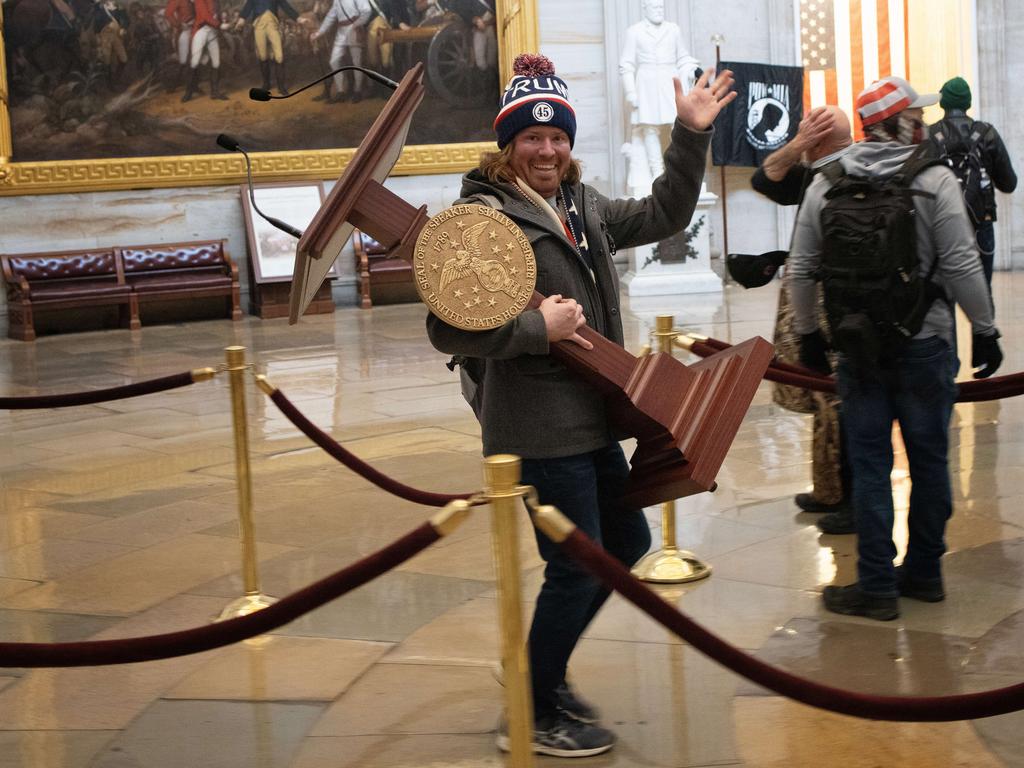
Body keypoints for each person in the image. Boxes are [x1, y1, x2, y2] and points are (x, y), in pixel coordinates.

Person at [427, 53, 735, 757]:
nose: (547, 149)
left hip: (594, 415)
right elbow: (447, 328)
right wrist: (540, 328)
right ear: (508, 145)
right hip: (537, 425)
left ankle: (542, 670)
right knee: (577, 563)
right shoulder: (481, 220)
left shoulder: (582, 204)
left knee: (624, 545)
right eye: (531, 138)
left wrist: (689, 135)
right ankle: (531, 709)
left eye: (557, 136)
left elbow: (665, 211)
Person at [788, 76, 1003, 621]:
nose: (925, 123)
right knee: (931, 461)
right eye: (918, 116)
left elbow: (802, 268)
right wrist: (985, 327)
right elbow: (960, 263)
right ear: (902, 122)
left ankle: (877, 586)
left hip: (858, 348)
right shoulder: (934, 179)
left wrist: (811, 335)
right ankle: (926, 573)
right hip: (925, 342)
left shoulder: (826, 180)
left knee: (870, 462)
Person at [745, 105, 856, 534]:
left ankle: (851, 498)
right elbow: (764, 177)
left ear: (819, 140)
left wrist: (800, 144)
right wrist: (799, 146)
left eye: (807, 132)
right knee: (825, 400)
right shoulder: (815, 173)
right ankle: (829, 489)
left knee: (839, 401)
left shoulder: (845, 172)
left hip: (837, 305)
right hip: (820, 301)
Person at [929, 76, 1018, 293]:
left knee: (941, 300)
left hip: (942, 226)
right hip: (981, 223)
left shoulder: (930, 135)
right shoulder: (987, 133)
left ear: (943, 102)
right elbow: (1009, 184)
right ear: (967, 102)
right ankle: (982, 328)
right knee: (982, 297)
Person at [619, 0, 700, 184]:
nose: (658, 10)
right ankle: (656, 173)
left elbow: (683, 57)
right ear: (644, 8)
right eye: (654, 7)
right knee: (649, 129)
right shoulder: (635, 31)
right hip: (646, 83)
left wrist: (692, 68)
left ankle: (677, 170)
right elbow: (626, 64)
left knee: (677, 125)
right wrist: (631, 91)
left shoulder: (673, 29)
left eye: (661, 7)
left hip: (670, 80)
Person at [310, 0, 372, 103]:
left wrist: (356, 24)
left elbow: (367, 11)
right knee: (334, 61)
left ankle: (357, 91)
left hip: (354, 30)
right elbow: (331, 16)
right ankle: (341, 91)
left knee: (357, 63)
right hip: (342, 32)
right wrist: (319, 33)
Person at [237, 0, 299, 95]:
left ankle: (281, 87)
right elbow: (248, 7)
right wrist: (241, 19)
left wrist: (298, 18)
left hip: (273, 24)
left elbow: (285, 6)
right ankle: (266, 85)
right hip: (258, 25)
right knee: (262, 56)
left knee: (279, 56)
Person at [182, 0, 228, 102]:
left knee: (216, 62)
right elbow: (205, 16)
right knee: (194, 61)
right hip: (201, 31)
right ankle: (188, 92)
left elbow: (217, 14)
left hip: (213, 32)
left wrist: (222, 23)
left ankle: (215, 92)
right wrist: (219, 25)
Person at [165, 0, 196, 93]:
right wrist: (179, 25)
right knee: (184, 61)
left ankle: (195, 85)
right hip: (185, 30)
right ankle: (175, 84)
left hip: (196, 28)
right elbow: (168, 14)